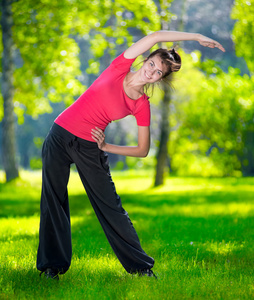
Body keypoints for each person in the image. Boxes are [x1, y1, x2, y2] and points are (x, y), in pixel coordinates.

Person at [37, 30, 225, 280]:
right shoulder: (119, 67)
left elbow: (142, 150)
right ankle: (52, 267)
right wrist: (196, 36)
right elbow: (156, 36)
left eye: (158, 72)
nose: (152, 71)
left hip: (90, 146)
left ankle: (141, 267)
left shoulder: (141, 104)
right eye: (151, 64)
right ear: (144, 60)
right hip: (59, 134)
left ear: (160, 78)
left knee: (110, 207)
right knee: (53, 199)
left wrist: (107, 147)